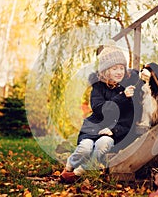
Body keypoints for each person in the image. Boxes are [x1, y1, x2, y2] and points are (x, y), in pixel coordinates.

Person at [60, 41, 143, 183]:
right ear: (105, 71)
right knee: (85, 148)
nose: (119, 72)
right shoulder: (98, 87)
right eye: (114, 69)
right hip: (93, 128)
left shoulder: (130, 88)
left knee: (103, 144)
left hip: (114, 132)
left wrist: (114, 130)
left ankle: (81, 171)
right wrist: (122, 97)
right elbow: (100, 109)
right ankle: (69, 166)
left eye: (121, 68)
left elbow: (130, 117)